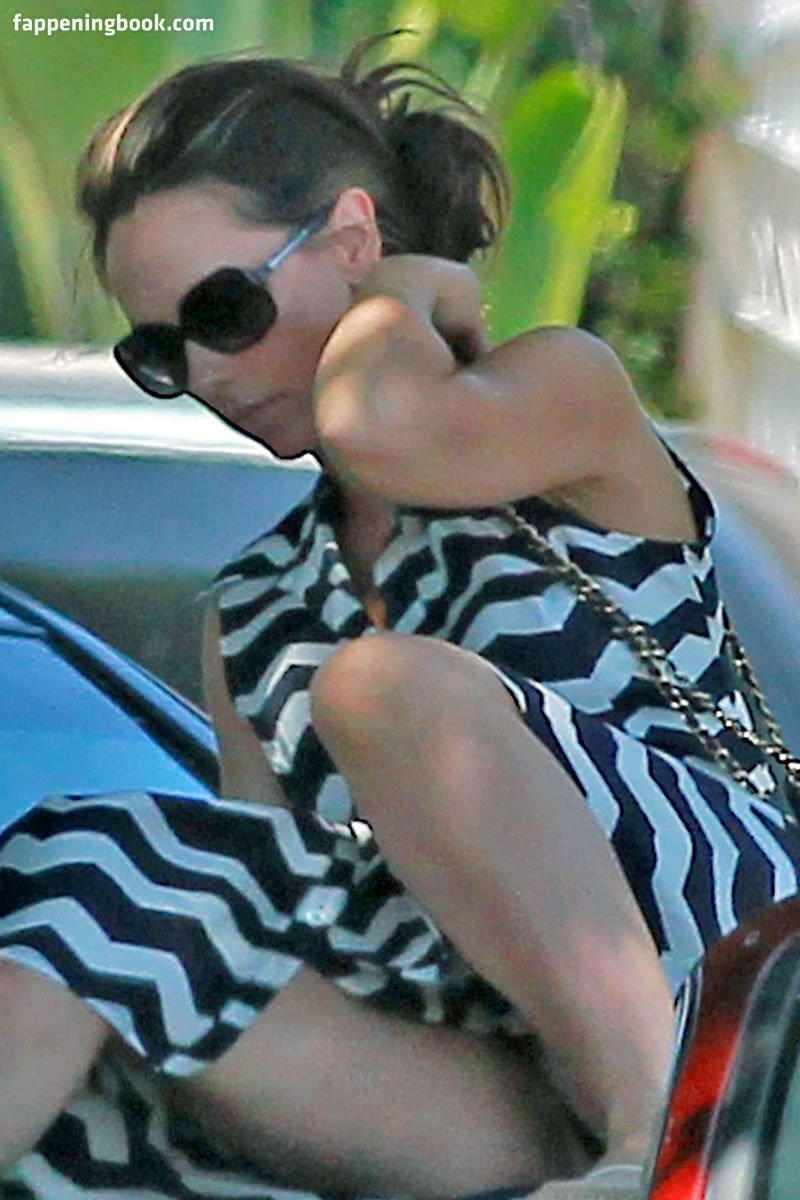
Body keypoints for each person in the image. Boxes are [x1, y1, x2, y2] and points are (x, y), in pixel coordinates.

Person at [3, 35, 800, 1200]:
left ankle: (654, 1139)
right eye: (159, 351)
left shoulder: (557, 395)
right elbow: (282, 909)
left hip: (737, 1015)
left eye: (224, 309)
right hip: (500, 1086)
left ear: (350, 238)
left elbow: (385, 434)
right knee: (85, 874)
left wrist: (406, 295)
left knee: (379, 686)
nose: (207, 374)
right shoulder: (255, 610)